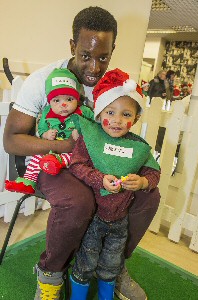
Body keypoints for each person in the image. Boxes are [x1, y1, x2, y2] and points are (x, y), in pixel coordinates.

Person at [3, 6, 160, 300]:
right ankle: (49, 274)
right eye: (85, 56)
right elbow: (12, 141)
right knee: (79, 201)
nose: (94, 68)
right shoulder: (44, 79)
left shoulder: (113, 84)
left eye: (103, 57)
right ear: (72, 46)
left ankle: (112, 265)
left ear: (113, 50)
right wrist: (70, 147)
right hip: (48, 161)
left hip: (92, 160)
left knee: (147, 195)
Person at [69, 69, 161, 300]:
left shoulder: (138, 147)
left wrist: (141, 182)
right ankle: (78, 295)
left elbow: (153, 174)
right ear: (99, 114)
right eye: (110, 112)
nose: (118, 120)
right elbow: (76, 165)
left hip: (119, 222)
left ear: (136, 119)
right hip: (93, 218)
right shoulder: (90, 138)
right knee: (86, 260)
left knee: (112, 263)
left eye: (126, 114)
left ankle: (106, 295)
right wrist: (98, 179)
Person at [4, 68, 93, 194]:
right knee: (36, 158)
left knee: (72, 158)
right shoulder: (46, 113)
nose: (63, 105)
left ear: (77, 99)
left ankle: (55, 164)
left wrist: (82, 132)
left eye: (69, 99)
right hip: (51, 150)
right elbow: (41, 128)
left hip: (73, 152)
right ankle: (28, 182)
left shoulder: (84, 112)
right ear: (50, 102)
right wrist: (45, 134)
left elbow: (94, 126)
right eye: (57, 101)